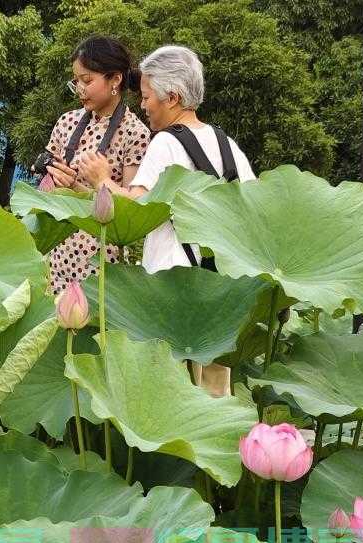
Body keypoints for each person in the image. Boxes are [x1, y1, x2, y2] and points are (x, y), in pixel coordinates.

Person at [82, 44, 257, 396]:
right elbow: (252, 211)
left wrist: (102, 180)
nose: (143, 105)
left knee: (170, 398)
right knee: (212, 399)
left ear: (172, 97)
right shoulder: (228, 145)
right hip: (219, 292)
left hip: (171, 293)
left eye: (147, 97)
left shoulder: (165, 143)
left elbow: (135, 206)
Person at [40, 35, 151, 295]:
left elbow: (130, 214)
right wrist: (54, 178)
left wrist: (81, 186)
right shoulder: (66, 122)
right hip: (57, 253)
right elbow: (43, 186)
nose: (80, 88)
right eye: (76, 81)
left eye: (87, 80)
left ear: (115, 80)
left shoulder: (136, 134)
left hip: (101, 262)